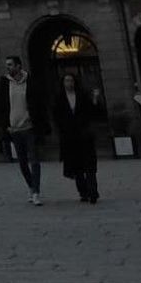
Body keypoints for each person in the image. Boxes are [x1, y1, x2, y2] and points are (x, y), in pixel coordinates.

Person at [0, 55, 47, 204]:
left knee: (35, 160)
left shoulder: (29, 82)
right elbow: (1, 106)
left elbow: (38, 103)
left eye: (11, 65)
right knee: (23, 162)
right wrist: (5, 126)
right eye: (7, 65)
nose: (8, 68)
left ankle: (36, 191)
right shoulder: (5, 83)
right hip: (14, 129)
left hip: (29, 127)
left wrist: (39, 123)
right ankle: (31, 187)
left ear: (19, 66)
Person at [51, 73, 101, 203]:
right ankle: (83, 192)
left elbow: (92, 111)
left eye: (71, 80)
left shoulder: (82, 95)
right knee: (77, 167)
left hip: (84, 134)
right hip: (69, 136)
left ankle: (93, 191)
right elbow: (56, 116)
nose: (69, 83)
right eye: (66, 80)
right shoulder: (59, 98)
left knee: (90, 165)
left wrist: (95, 99)